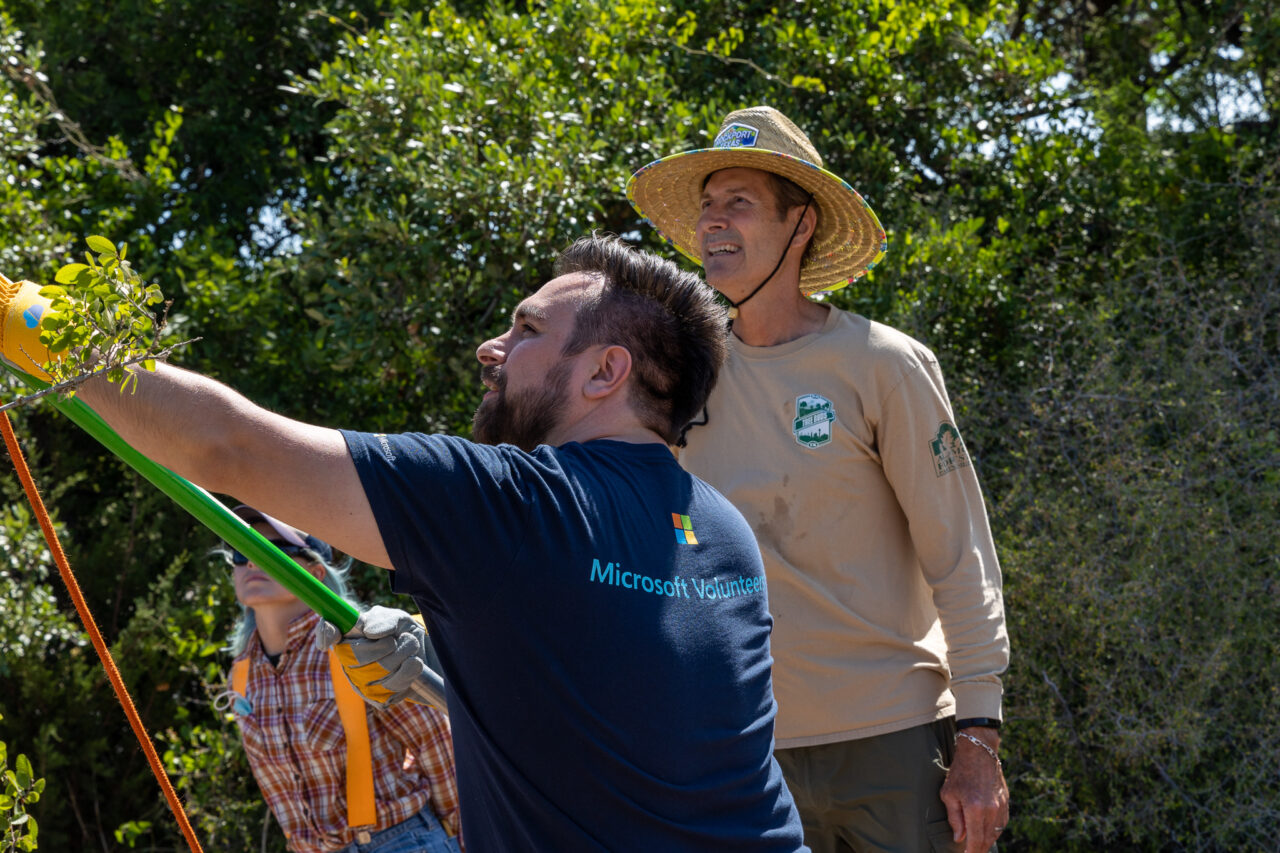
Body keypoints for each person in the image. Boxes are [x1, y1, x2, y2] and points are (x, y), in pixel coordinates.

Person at [77, 234, 808, 852]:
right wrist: (437, 640)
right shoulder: (721, 527)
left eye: (526, 330)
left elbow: (228, 447)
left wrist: (40, 325)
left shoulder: (510, 503)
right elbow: (613, 681)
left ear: (603, 371)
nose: (492, 347)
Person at [627, 106, 1011, 853]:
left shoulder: (883, 364)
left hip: (894, 742)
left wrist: (979, 737)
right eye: (707, 206)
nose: (713, 223)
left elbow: (960, 554)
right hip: (744, 749)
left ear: (800, 225)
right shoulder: (684, 385)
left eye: (737, 202)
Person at [216, 504, 460, 852]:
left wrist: (463, 837)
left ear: (315, 573)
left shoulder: (358, 648)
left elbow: (436, 744)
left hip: (403, 841)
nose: (251, 561)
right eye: (241, 552)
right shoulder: (241, 677)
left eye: (270, 550)